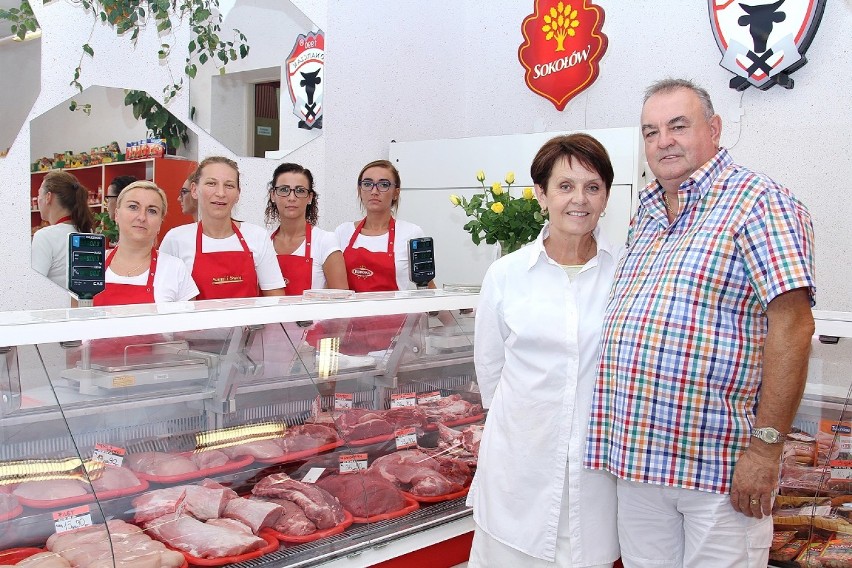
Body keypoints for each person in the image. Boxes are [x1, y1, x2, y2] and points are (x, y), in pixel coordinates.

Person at [584, 78, 816, 567]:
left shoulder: (759, 201)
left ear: (713, 129)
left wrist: (766, 450)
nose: (663, 140)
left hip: (721, 469)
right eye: (651, 131)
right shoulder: (644, 212)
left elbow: (793, 327)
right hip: (637, 461)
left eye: (678, 126)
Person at [467, 134, 620, 568]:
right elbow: (491, 373)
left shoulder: (625, 272)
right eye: (565, 186)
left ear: (606, 197)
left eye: (593, 187)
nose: (580, 200)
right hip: (521, 471)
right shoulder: (507, 275)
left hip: (595, 475)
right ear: (541, 194)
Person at [160, 156, 285, 299]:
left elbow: (276, 301)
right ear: (194, 190)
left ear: (238, 194)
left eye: (229, 185)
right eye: (211, 183)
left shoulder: (257, 236)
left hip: (247, 322)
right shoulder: (176, 239)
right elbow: (164, 302)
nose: (220, 193)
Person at [335, 159, 434, 292]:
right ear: (360, 190)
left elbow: (427, 287)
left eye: (383, 184)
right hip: (351, 313)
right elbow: (332, 287)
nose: (374, 191)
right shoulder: (342, 232)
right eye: (367, 184)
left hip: (397, 312)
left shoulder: (412, 233)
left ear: (395, 192)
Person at [92, 181, 198, 305]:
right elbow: (75, 319)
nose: (142, 217)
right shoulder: (91, 264)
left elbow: (187, 323)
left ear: (160, 222)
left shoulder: (175, 269)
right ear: (116, 215)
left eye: (152, 211)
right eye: (133, 207)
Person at [264, 162, 347, 295]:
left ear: (310, 198)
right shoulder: (263, 242)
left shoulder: (325, 241)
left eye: (300, 191)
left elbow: (342, 302)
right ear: (273, 195)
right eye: (284, 190)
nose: (292, 198)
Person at [32, 171, 96, 289]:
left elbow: (34, 286)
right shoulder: (88, 233)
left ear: (48, 197)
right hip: (82, 305)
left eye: (39, 194)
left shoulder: (45, 236)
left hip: (55, 306)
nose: (38, 199)